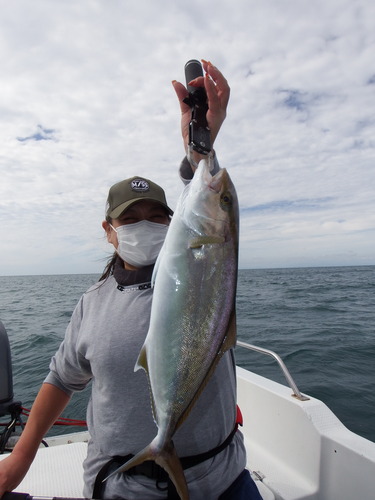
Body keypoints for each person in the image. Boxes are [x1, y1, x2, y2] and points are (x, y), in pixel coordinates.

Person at [0, 61, 262, 500]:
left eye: (157, 217)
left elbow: (200, 215)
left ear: (174, 224)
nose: (145, 226)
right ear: (109, 231)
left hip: (225, 480)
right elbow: (62, 379)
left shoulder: (195, 270)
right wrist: (19, 460)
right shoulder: (93, 302)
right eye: (130, 219)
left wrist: (200, 149)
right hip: (126, 488)